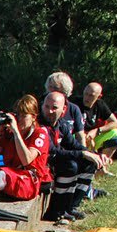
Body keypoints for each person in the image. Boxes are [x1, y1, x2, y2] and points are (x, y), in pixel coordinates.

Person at [41, 90, 103, 224]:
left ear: (63, 110)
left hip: (53, 160)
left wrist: (94, 155)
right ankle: (56, 211)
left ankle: (71, 207)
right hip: (43, 163)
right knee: (70, 166)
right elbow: (52, 151)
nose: (49, 111)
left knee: (89, 163)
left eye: (54, 108)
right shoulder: (40, 125)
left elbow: (72, 144)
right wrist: (82, 154)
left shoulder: (60, 124)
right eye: (46, 106)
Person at [79, 82, 117, 175]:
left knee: (115, 134)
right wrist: (84, 135)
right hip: (77, 138)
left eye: (91, 95)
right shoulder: (75, 104)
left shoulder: (100, 105)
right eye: (85, 94)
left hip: (92, 137)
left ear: (99, 96)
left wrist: (97, 131)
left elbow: (115, 123)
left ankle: (101, 168)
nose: (87, 98)